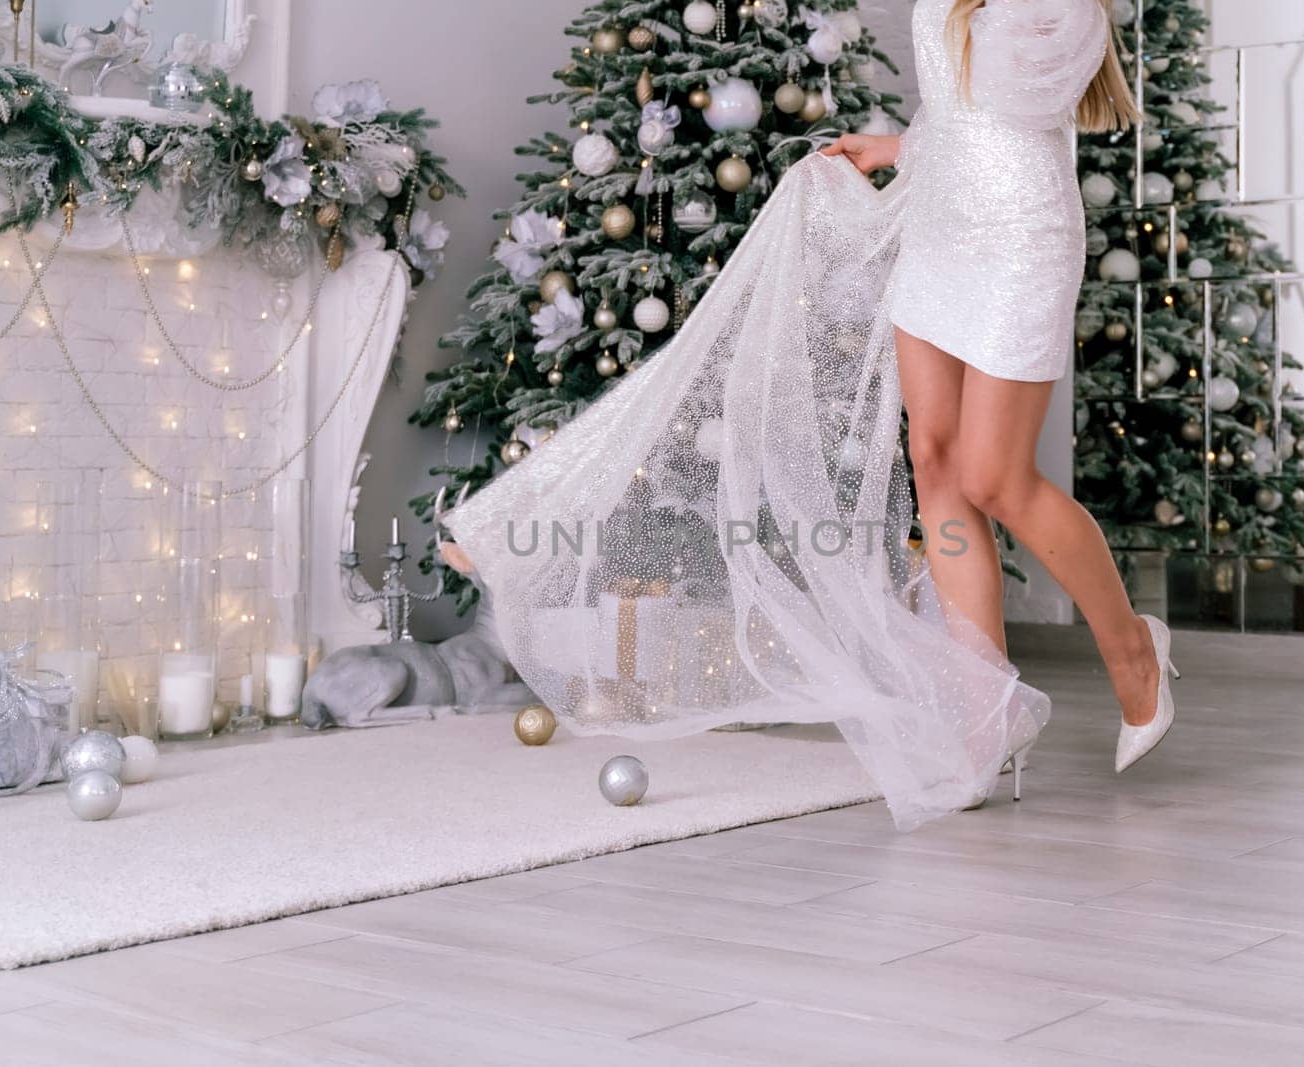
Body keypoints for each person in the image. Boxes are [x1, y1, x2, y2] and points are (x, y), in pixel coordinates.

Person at [439, 0, 1178, 829]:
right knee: (932, 461)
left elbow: (1022, 103)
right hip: (937, 228)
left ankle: (1133, 651)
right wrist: (901, 147)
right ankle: (985, 714)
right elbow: (959, 111)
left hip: (1021, 238)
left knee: (995, 476)